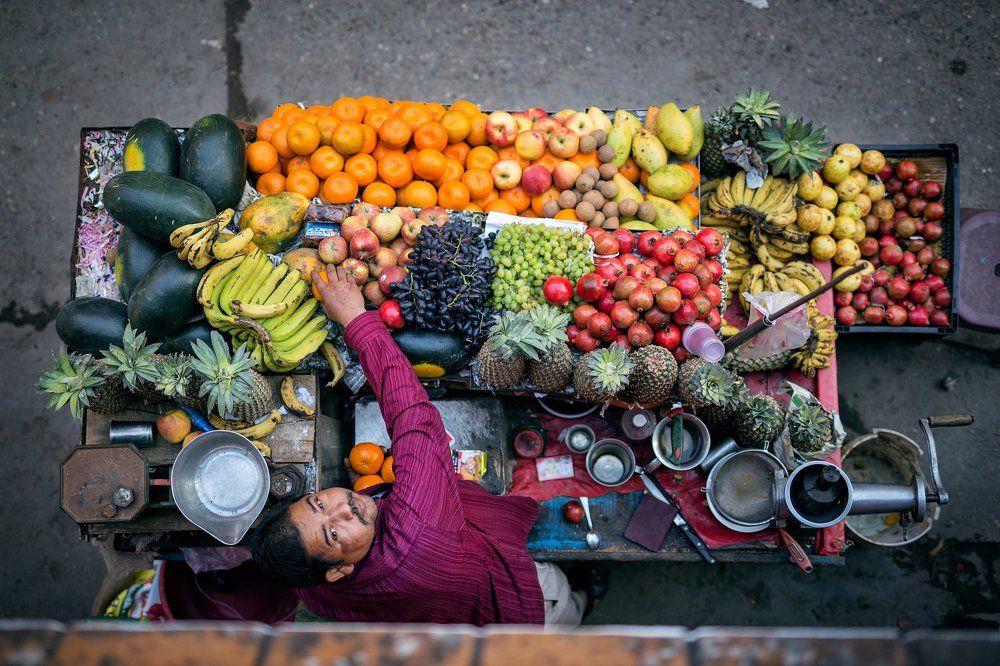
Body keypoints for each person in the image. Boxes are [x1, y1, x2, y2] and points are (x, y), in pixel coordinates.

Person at [250, 264, 605, 626]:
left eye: (320, 502)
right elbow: (413, 419)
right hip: (519, 609)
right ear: (338, 571)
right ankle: (585, 599)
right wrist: (356, 319)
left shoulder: (310, 582)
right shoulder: (416, 533)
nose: (344, 509)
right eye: (334, 531)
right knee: (560, 601)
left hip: (440, 605)